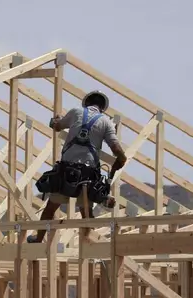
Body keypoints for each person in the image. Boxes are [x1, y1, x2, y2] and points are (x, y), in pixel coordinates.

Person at [27, 90, 127, 243]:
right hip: (87, 176)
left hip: (66, 171)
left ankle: (38, 238)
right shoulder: (106, 122)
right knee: (86, 213)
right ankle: (90, 244)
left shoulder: (76, 112)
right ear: (102, 108)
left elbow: (57, 126)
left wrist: (54, 121)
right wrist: (122, 159)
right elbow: (116, 149)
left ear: (86, 103)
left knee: (50, 209)